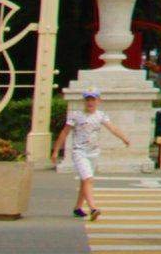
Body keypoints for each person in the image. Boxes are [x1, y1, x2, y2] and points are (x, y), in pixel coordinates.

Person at [51, 90, 130, 221]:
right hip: (79, 151)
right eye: (88, 100)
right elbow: (64, 133)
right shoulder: (76, 115)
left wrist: (124, 138)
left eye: (93, 99)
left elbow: (112, 128)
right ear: (84, 101)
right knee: (88, 179)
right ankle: (93, 208)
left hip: (93, 152)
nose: (90, 102)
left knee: (85, 180)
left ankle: (77, 208)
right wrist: (55, 151)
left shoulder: (101, 115)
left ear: (98, 101)